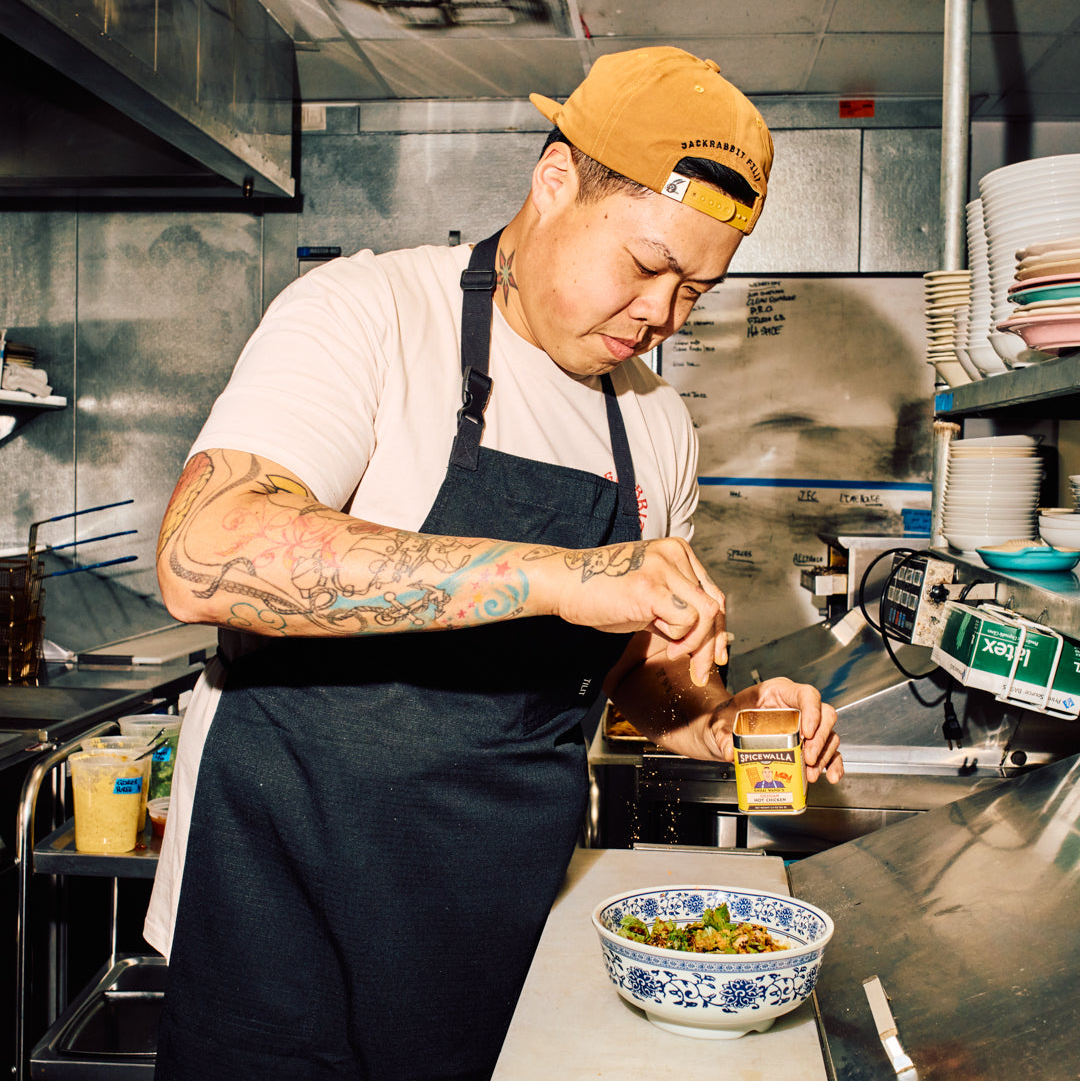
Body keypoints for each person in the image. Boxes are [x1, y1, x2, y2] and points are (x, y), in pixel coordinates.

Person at [148, 46, 844, 1081]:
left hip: (498, 922)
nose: (663, 314)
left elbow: (636, 678)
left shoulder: (656, 426)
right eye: (647, 265)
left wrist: (720, 718)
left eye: (696, 290)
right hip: (280, 912)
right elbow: (206, 550)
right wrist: (562, 574)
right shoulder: (372, 313)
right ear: (555, 179)